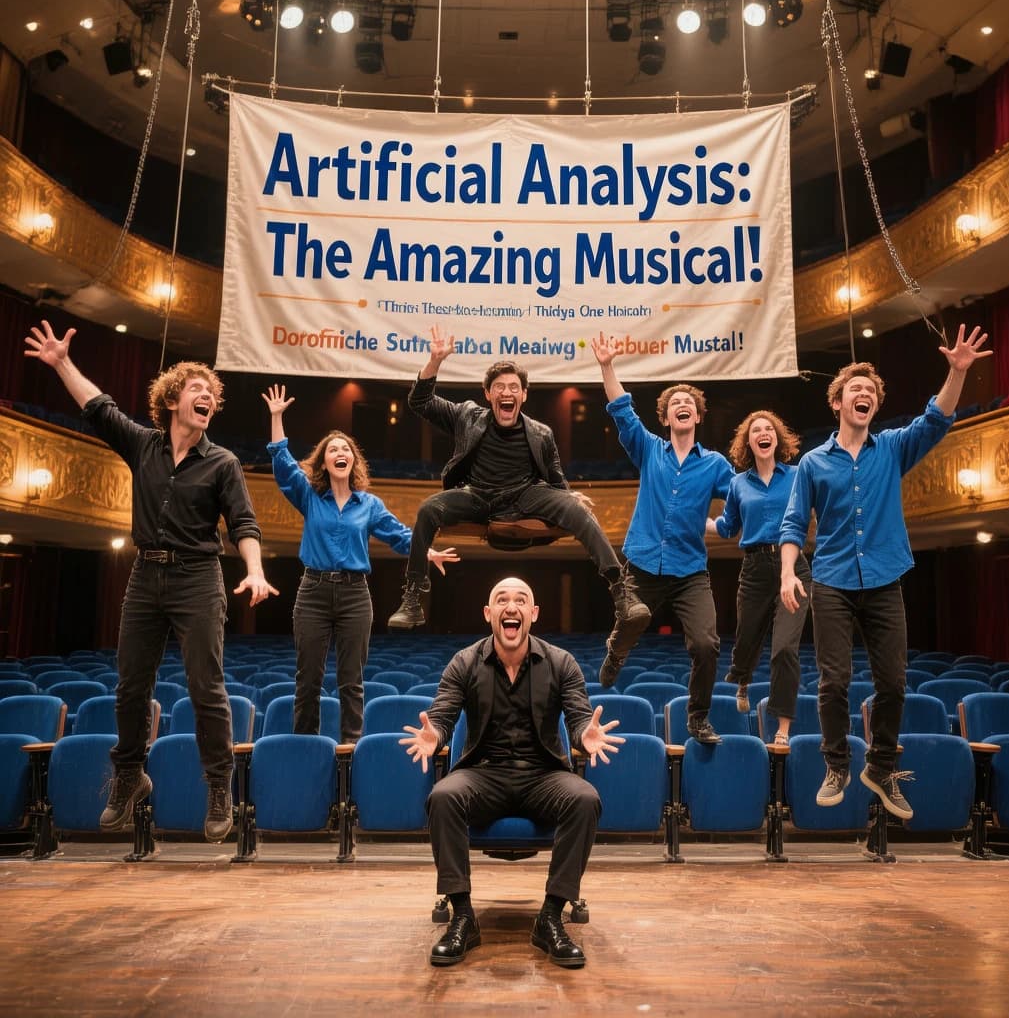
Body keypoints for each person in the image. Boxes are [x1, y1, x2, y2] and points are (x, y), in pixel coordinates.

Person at [24, 320, 278, 843]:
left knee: (206, 689)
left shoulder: (223, 463)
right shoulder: (143, 446)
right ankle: (128, 775)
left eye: (211, 393)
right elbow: (99, 407)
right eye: (196, 389)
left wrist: (254, 569)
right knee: (130, 686)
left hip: (198, 577)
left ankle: (218, 786)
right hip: (146, 576)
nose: (206, 395)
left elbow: (245, 525)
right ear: (173, 401)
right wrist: (61, 362)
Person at [779, 324, 992, 819]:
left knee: (893, 682)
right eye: (856, 389)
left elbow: (936, 418)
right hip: (830, 579)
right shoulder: (813, 463)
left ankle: (879, 767)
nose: (865, 395)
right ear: (838, 402)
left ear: (875, 406)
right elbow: (792, 524)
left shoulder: (892, 447)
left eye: (871, 392)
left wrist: (956, 371)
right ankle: (837, 764)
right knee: (834, 681)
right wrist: (790, 573)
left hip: (884, 578)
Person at [400, 576, 622, 969]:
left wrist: (584, 733)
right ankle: (463, 917)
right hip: (485, 774)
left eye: (521, 600)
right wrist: (434, 733)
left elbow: (578, 716)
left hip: (543, 776)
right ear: (489, 614)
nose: (511, 606)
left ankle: (551, 917)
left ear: (532, 614)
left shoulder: (560, 662)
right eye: (501, 600)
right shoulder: (465, 662)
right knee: (443, 797)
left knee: (585, 799)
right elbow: (443, 714)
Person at [386, 325, 649, 633]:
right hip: (478, 496)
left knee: (579, 511)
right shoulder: (466, 416)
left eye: (513, 387)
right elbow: (419, 402)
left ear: (523, 395)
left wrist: (567, 497)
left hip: (525, 495)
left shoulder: (541, 433)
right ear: (488, 394)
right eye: (499, 387)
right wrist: (435, 362)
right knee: (428, 509)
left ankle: (622, 592)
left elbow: (556, 479)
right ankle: (413, 599)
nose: (506, 392)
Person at [262, 384, 458, 742]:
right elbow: (283, 464)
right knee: (308, 678)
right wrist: (277, 418)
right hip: (313, 591)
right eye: (333, 449)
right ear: (324, 461)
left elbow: (400, 535)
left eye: (346, 450)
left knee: (352, 679)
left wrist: (426, 552)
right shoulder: (309, 496)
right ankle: (305, 745)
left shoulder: (368, 504)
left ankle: (351, 750)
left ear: (353, 461)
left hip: (354, 595)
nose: (340, 453)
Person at [591, 332, 734, 743]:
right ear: (666, 418)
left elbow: (742, 498)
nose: (683, 406)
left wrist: (723, 525)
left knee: (706, 645)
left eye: (689, 404)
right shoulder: (650, 450)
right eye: (675, 405)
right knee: (632, 619)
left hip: (690, 570)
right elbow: (622, 411)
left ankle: (697, 718)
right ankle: (616, 652)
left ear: (698, 416)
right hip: (643, 562)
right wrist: (606, 366)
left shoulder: (716, 465)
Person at [706, 411, 810, 744]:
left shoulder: (796, 476)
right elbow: (726, 527)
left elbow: (816, 508)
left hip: (792, 567)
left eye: (768, 429)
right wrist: (697, 521)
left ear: (776, 438)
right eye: (756, 431)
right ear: (748, 442)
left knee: (784, 650)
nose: (763, 434)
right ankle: (743, 679)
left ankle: (781, 728)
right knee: (747, 636)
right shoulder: (738, 483)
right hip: (753, 569)